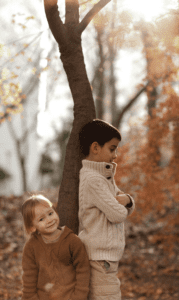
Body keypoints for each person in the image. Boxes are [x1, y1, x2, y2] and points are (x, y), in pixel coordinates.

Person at [78, 119, 135, 300]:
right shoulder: (93, 180)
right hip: (99, 259)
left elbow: (127, 204)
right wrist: (124, 201)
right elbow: (118, 214)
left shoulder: (104, 177)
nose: (116, 155)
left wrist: (127, 200)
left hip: (106, 258)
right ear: (95, 147)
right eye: (112, 148)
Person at [21, 194, 90, 300]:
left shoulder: (72, 240)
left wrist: (79, 296)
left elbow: (83, 270)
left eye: (50, 213)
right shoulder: (31, 247)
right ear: (32, 226)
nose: (49, 220)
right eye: (41, 219)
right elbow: (29, 277)